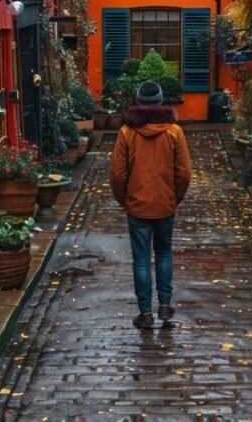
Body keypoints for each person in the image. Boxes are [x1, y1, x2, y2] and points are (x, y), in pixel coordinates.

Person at [109, 80, 192, 328]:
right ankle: (165, 306)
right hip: (165, 204)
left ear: (138, 102)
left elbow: (117, 173)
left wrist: (124, 199)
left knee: (141, 258)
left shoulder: (127, 132)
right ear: (160, 102)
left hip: (137, 205)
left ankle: (145, 312)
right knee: (164, 253)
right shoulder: (174, 132)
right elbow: (184, 173)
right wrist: (174, 197)